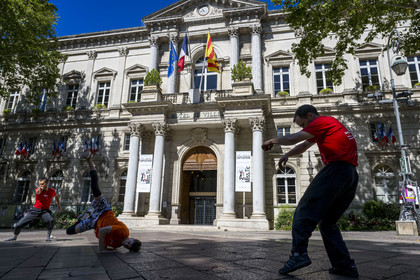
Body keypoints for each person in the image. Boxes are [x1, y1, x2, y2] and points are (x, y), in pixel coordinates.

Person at [262, 104, 359, 278]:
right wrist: (288, 155)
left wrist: (273, 140)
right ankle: (344, 266)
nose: (304, 129)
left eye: (304, 124)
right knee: (328, 223)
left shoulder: (322, 121)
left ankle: (298, 254)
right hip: (350, 175)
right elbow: (304, 145)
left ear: (310, 116)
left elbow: (296, 138)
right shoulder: (328, 126)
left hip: (336, 170)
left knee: (304, 210)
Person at [66, 151, 141, 253]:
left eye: (127, 247)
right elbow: (103, 231)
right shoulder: (123, 232)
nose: (126, 244)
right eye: (129, 243)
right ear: (132, 238)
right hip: (103, 211)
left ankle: (84, 217)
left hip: (94, 223)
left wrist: (108, 249)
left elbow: (102, 235)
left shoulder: (117, 245)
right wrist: (103, 249)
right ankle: (89, 160)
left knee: (69, 231)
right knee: (95, 188)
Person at [6, 177, 62, 242]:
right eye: (40, 184)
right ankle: (14, 237)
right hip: (35, 210)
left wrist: (59, 205)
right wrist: (40, 189)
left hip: (45, 211)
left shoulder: (51, 191)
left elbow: (56, 196)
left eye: (42, 184)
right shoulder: (38, 190)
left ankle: (48, 237)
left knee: (50, 220)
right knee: (19, 224)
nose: (41, 185)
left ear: (47, 183)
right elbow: (37, 192)